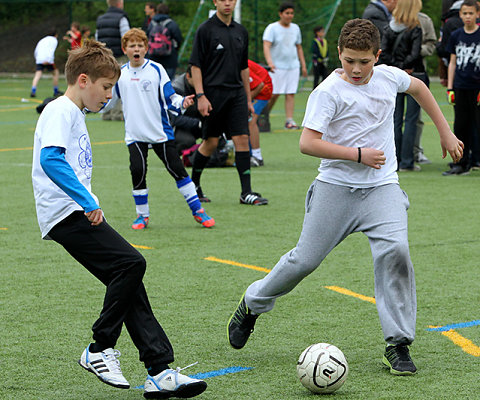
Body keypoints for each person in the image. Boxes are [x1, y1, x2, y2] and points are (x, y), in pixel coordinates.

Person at [227, 18, 463, 376]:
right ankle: (252, 302)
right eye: (349, 60)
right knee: (303, 261)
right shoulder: (327, 92)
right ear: (339, 54)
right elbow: (308, 143)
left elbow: (419, 88)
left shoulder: (388, 76)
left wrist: (445, 131)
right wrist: (357, 154)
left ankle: (397, 343)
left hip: (382, 187)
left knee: (395, 250)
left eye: (364, 61)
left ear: (377, 56)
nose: (355, 68)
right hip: (335, 188)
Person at [31, 39, 207, 399]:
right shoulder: (60, 110)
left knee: (128, 283)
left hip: (75, 212)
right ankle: (99, 348)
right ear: (83, 80)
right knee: (131, 264)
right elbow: (51, 159)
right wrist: (86, 199)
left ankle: (159, 371)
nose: (110, 96)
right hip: (66, 214)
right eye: (106, 87)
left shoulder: (73, 113)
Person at [103, 28, 214, 229]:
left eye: (139, 45)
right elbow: (110, 101)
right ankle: (142, 216)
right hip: (134, 136)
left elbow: (170, 97)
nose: (136, 49)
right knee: (138, 171)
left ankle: (198, 211)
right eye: (131, 46)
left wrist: (182, 103)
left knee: (177, 170)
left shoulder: (156, 69)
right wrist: (91, 104)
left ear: (146, 48)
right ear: (124, 49)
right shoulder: (120, 74)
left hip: (160, 133)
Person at [189, 0, 268, 205]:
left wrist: (249, 98)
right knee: (211, 143)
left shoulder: (241, 31)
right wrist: (200, 96)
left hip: (237, 95)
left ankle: (246, 192)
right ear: (215, 2)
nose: (227, 3)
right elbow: (195, 66)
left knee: (242, 137)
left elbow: (244, 68)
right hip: (212, 95)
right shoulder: (205, 30)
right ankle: (194, 186)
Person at [378, 0, 424, 172]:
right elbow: (415, 53)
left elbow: (384, 52)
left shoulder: (389, 28)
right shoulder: (415, 29)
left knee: (395, 119)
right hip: (413, 75)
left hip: (393, 78)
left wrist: (395, 67)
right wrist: (405, 67)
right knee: (411, 119)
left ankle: (394, 160)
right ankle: (407, 161)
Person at [443, 0, 480, 175]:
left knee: (477, 124)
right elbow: (452, 63)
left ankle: (476, 159)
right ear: (460, 15)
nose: (467, 17)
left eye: (471, 13)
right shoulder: (456, 35)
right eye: (464, 13)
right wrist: (450, 87)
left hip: (477, 88)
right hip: (460, 86)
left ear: (477, 14)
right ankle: (460, 162)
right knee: (461, 125)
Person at [263, 1, 308, 130]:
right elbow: (266, 46)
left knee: (290, 93)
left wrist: (303, 65)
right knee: (273, 94)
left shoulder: (296, 28)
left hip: (293, 66)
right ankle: (263, 116)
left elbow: (299, 47)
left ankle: (289, 121)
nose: (289, 16)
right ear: (280, 14)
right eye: (287, 13)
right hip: (276, 67)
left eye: (291, 13)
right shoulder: (272, 28)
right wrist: (270, 63)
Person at [96, 0, 131, 121]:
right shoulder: (122, 18)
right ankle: (118, 112)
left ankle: (105, 112)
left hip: (105, 57)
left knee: (106, 84)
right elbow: (126, 38)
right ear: (120, 3)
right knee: (120, 84)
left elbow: (97, 38)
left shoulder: (100, 19)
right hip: (119, 56)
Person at [414, 11, 437, 165]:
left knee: (416, 117)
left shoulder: (424, 19)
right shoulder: (389, 17)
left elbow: (431, 43)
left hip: (417, 70)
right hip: (392, 70)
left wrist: (415, 51)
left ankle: (416, 152)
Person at [147, 3, 183, 80]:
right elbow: (179, 39)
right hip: (169, 59)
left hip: (153, 59)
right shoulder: (172, 24)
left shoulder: (151, 24)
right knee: (169, 83)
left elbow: (147, 38)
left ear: (157, 12)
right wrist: (175, 49)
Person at [248, 59, 273, 167]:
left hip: (262, 90)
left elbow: (260, 85)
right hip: (254, 88)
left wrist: (246, 101)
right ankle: (247, 153)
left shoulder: (236, 62)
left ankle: (257, 156)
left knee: (250, 121)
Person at [30, 28, 61, 98]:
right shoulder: (54, 40)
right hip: (47, 59)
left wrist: (37, 59)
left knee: (37, 75)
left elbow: (36, 50)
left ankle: (33, 90)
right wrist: (48, 60)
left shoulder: (42, 40)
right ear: (55, 35)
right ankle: (56, 91)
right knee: (55, 73)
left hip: (39, 59)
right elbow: (51, 50)